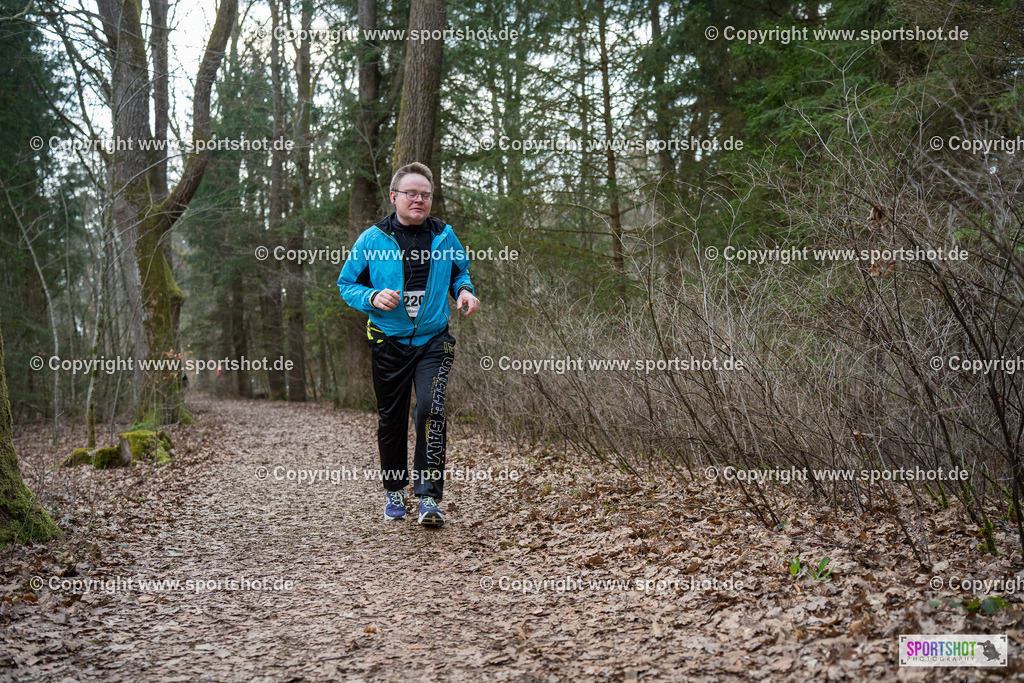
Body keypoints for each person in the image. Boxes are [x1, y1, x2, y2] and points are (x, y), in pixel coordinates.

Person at [338, 162, 480, 526]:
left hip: (434, 339)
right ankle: (395, 489)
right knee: (392, 418)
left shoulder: (445, 235)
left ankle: (430, 498)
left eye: (425, 195)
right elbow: (346, 285)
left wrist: (464, 291)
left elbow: (459, 271)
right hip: (388, 342)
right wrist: (372, 298)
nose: (419, 200)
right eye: (411, 194)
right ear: (394, 197)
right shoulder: (372, 239)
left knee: (431, 409)